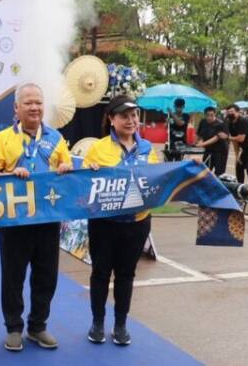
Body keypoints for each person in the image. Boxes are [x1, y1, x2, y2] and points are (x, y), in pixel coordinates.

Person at [0, 82, 72, 352]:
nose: (34, 107)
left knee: (46, 275)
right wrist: (9, 175)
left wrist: (66, 168)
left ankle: (38, 326)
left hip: (48, 219)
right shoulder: (2, 139)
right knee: (13, 276)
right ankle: (13, 328)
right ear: (16, 107)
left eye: (38, 102)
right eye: (28, 103)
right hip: (14, 220)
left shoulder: (56, 138)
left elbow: (67, 172)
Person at [83, 95, 159, 346]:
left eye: (134, 115)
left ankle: (120, 324)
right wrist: (89, 172)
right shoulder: (98, 148)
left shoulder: (148, 149)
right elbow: (84, 184)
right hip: (104, 223)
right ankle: (97, 323)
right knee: (100, 273)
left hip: (137, 223)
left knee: (126, 274)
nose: (130, 120)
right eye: (124, 116)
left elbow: (156, 181)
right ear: (111, 119)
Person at [195, 106, 229, 176]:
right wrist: (198, 141)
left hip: (220, 151)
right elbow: (200, 134)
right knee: (205, 171)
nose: (209, 117)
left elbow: (215, 138)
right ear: (205, 115)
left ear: (215, 114)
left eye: (211, 115)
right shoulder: (203, 122)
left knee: (219, 173)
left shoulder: (221, 124)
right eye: (207, 115)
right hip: (208, 150)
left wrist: (202, 144)